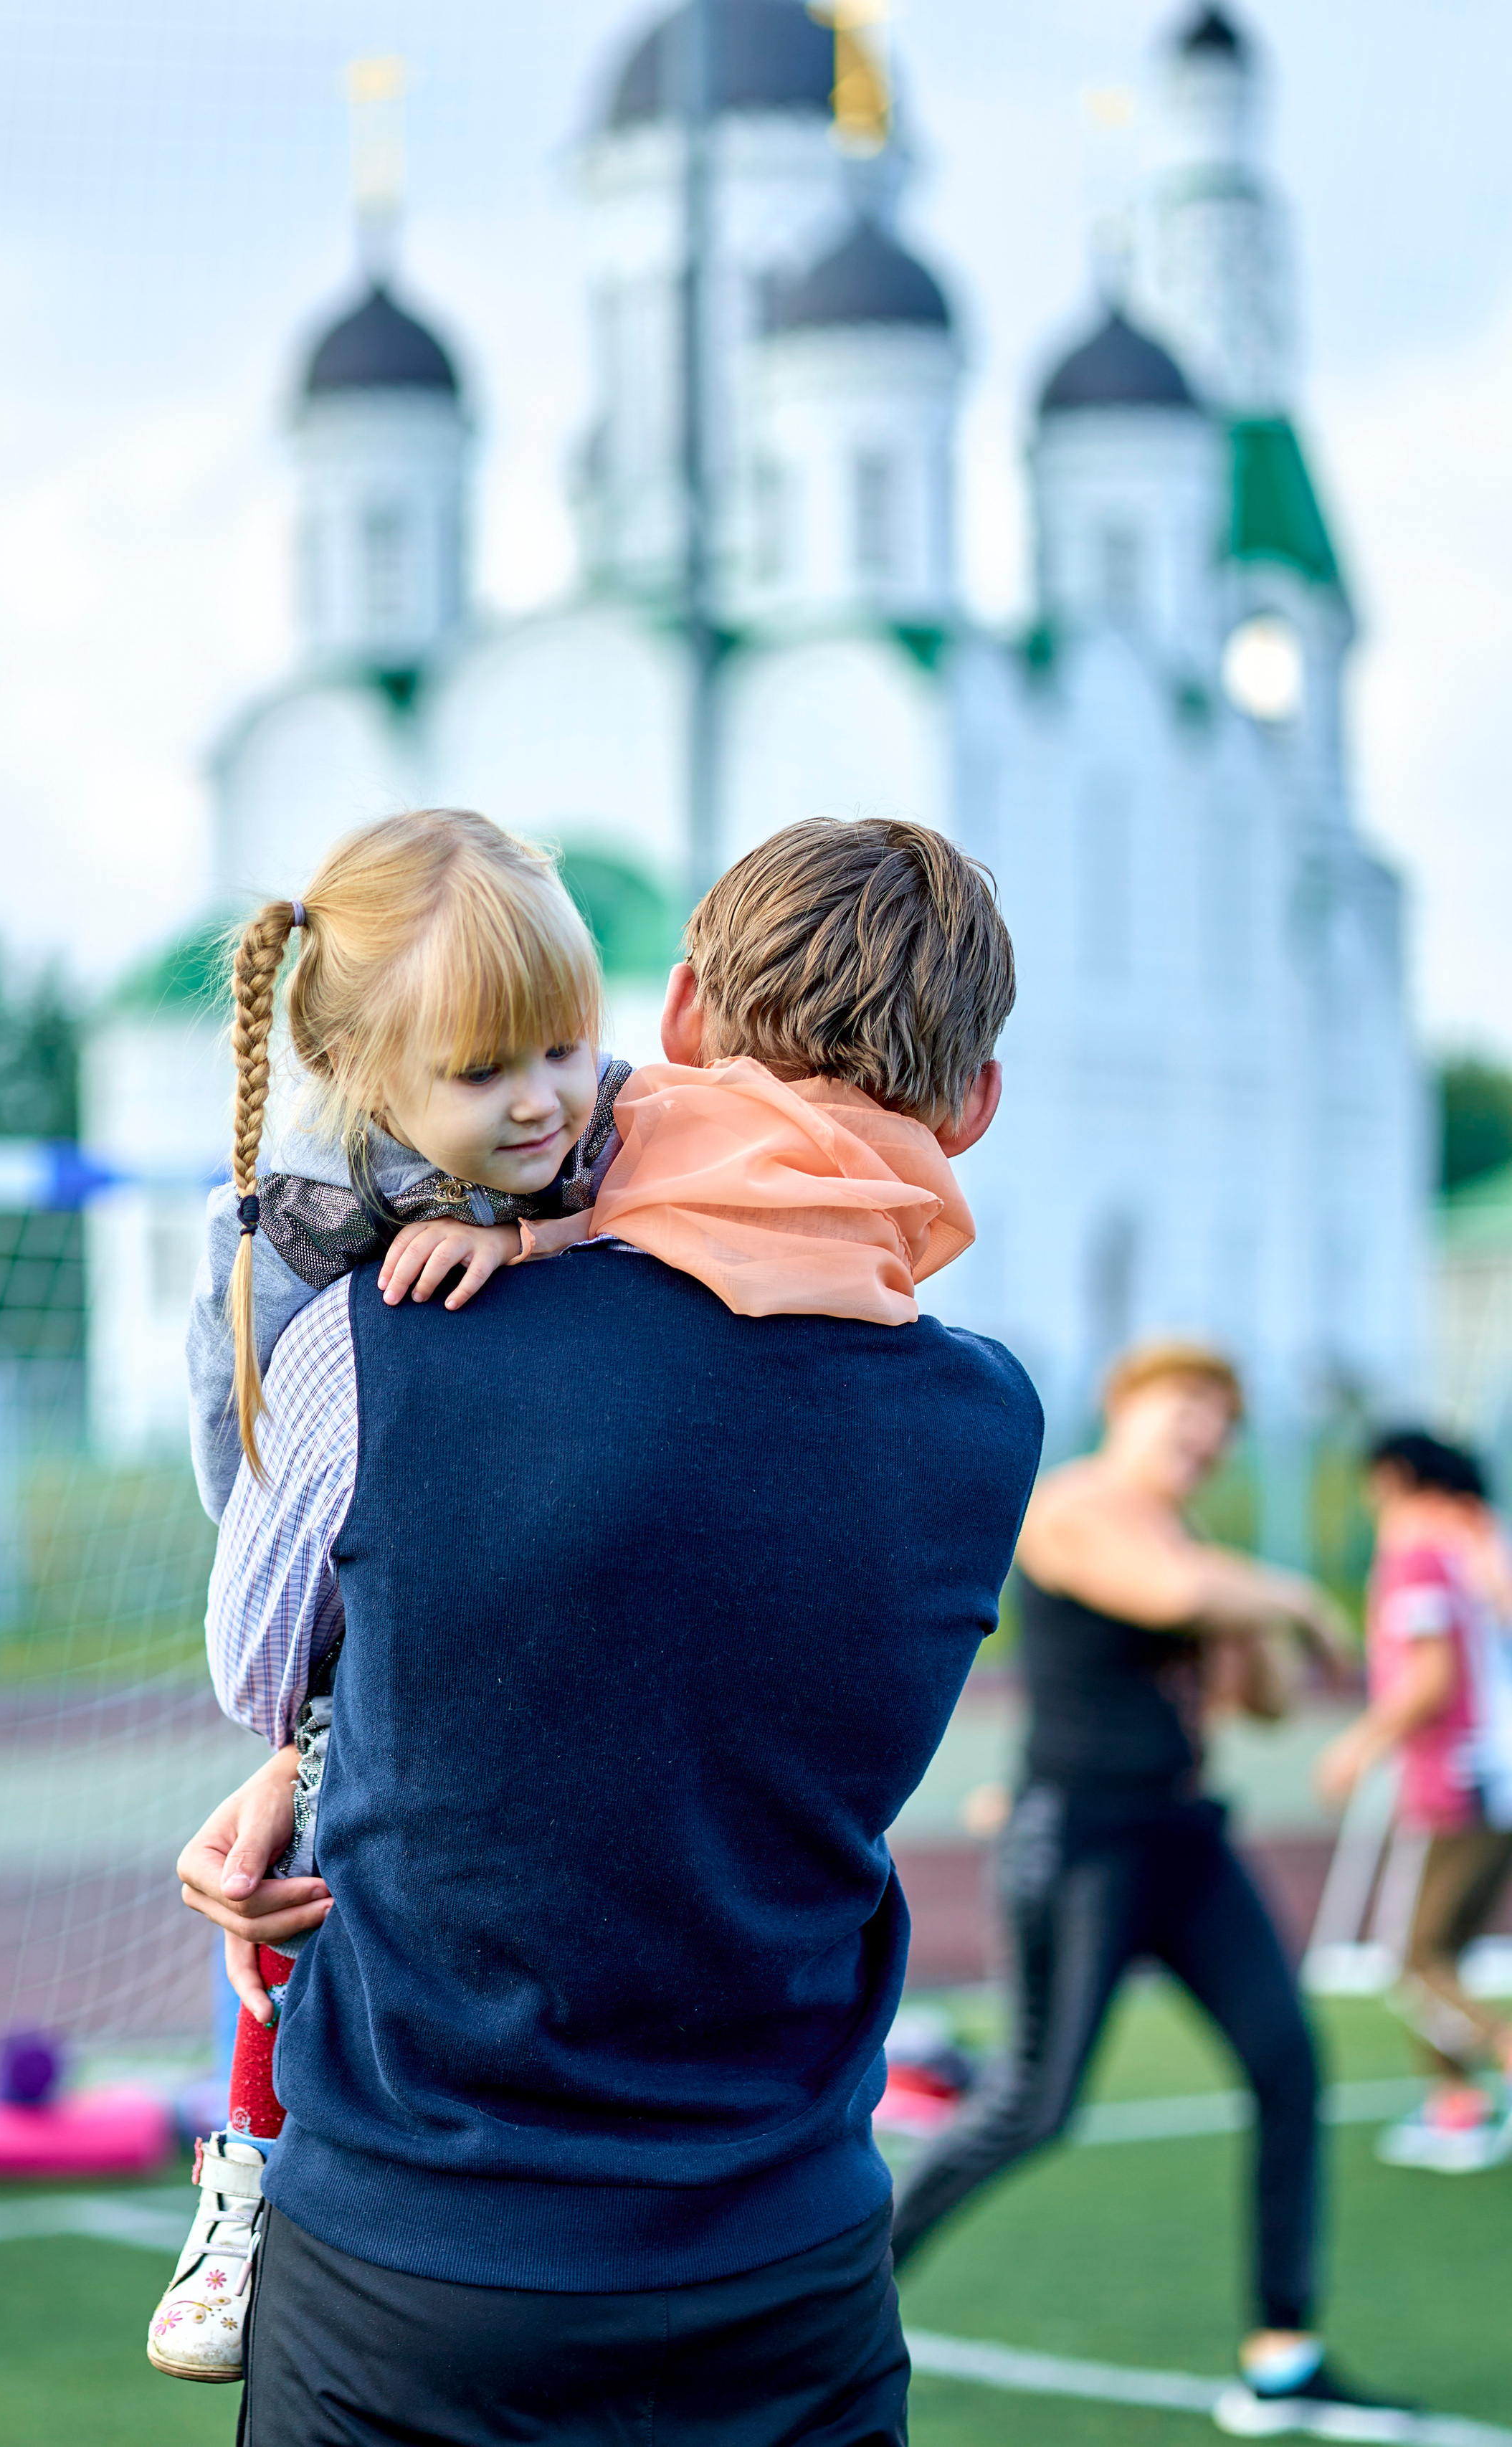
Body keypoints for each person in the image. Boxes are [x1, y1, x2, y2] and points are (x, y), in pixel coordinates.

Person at [176, 814, 1044, 2445]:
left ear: (680, 1016)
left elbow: (383, 1653)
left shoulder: (390, 1331)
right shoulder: (986, 1422)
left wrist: (313, 1755)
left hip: (416, 2274)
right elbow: (688, 1648)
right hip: (791, 2277)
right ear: (974, 1104)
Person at [151, 807, 632, 2378]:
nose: (544, 1096)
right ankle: (246, 2161)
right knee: (306, 1846)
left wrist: (542, 1231)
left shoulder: (610, 1131)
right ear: (372, 1083)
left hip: (558, 1602)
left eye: (563, 1044)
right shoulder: (300, 1245)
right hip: (348, 1590)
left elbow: (683, 1178)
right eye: (485, 1074)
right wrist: (296, 1729)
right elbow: (259, 1534)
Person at [888, 1341, 1418, 2438]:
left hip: (1185, 1835)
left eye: (1223, 1422)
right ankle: (822, 2302)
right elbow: (1172, 1591)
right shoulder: (1074, 1509)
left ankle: (1284, 2353)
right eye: (1188, 1408)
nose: (1206, 1435)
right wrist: (1296, 1601)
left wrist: (1259, 1621)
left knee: (1288, 2062)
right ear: (1125, 1409)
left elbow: (1263, 1703)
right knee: (1033, 2106)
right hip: (1082, 1843)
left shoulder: (1201, 1545)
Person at [1316, 1427, 1512, 2173]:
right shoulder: (1474, 1545)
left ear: (1393, 1476)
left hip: (1456, 1775)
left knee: (1416, 1955)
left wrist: (1358, 1743)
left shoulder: (1418, 1553)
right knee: (1441, 1951)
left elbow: (1429, 1675)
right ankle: (1454, 2104)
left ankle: (1483, 2069)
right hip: (1485, 1771)